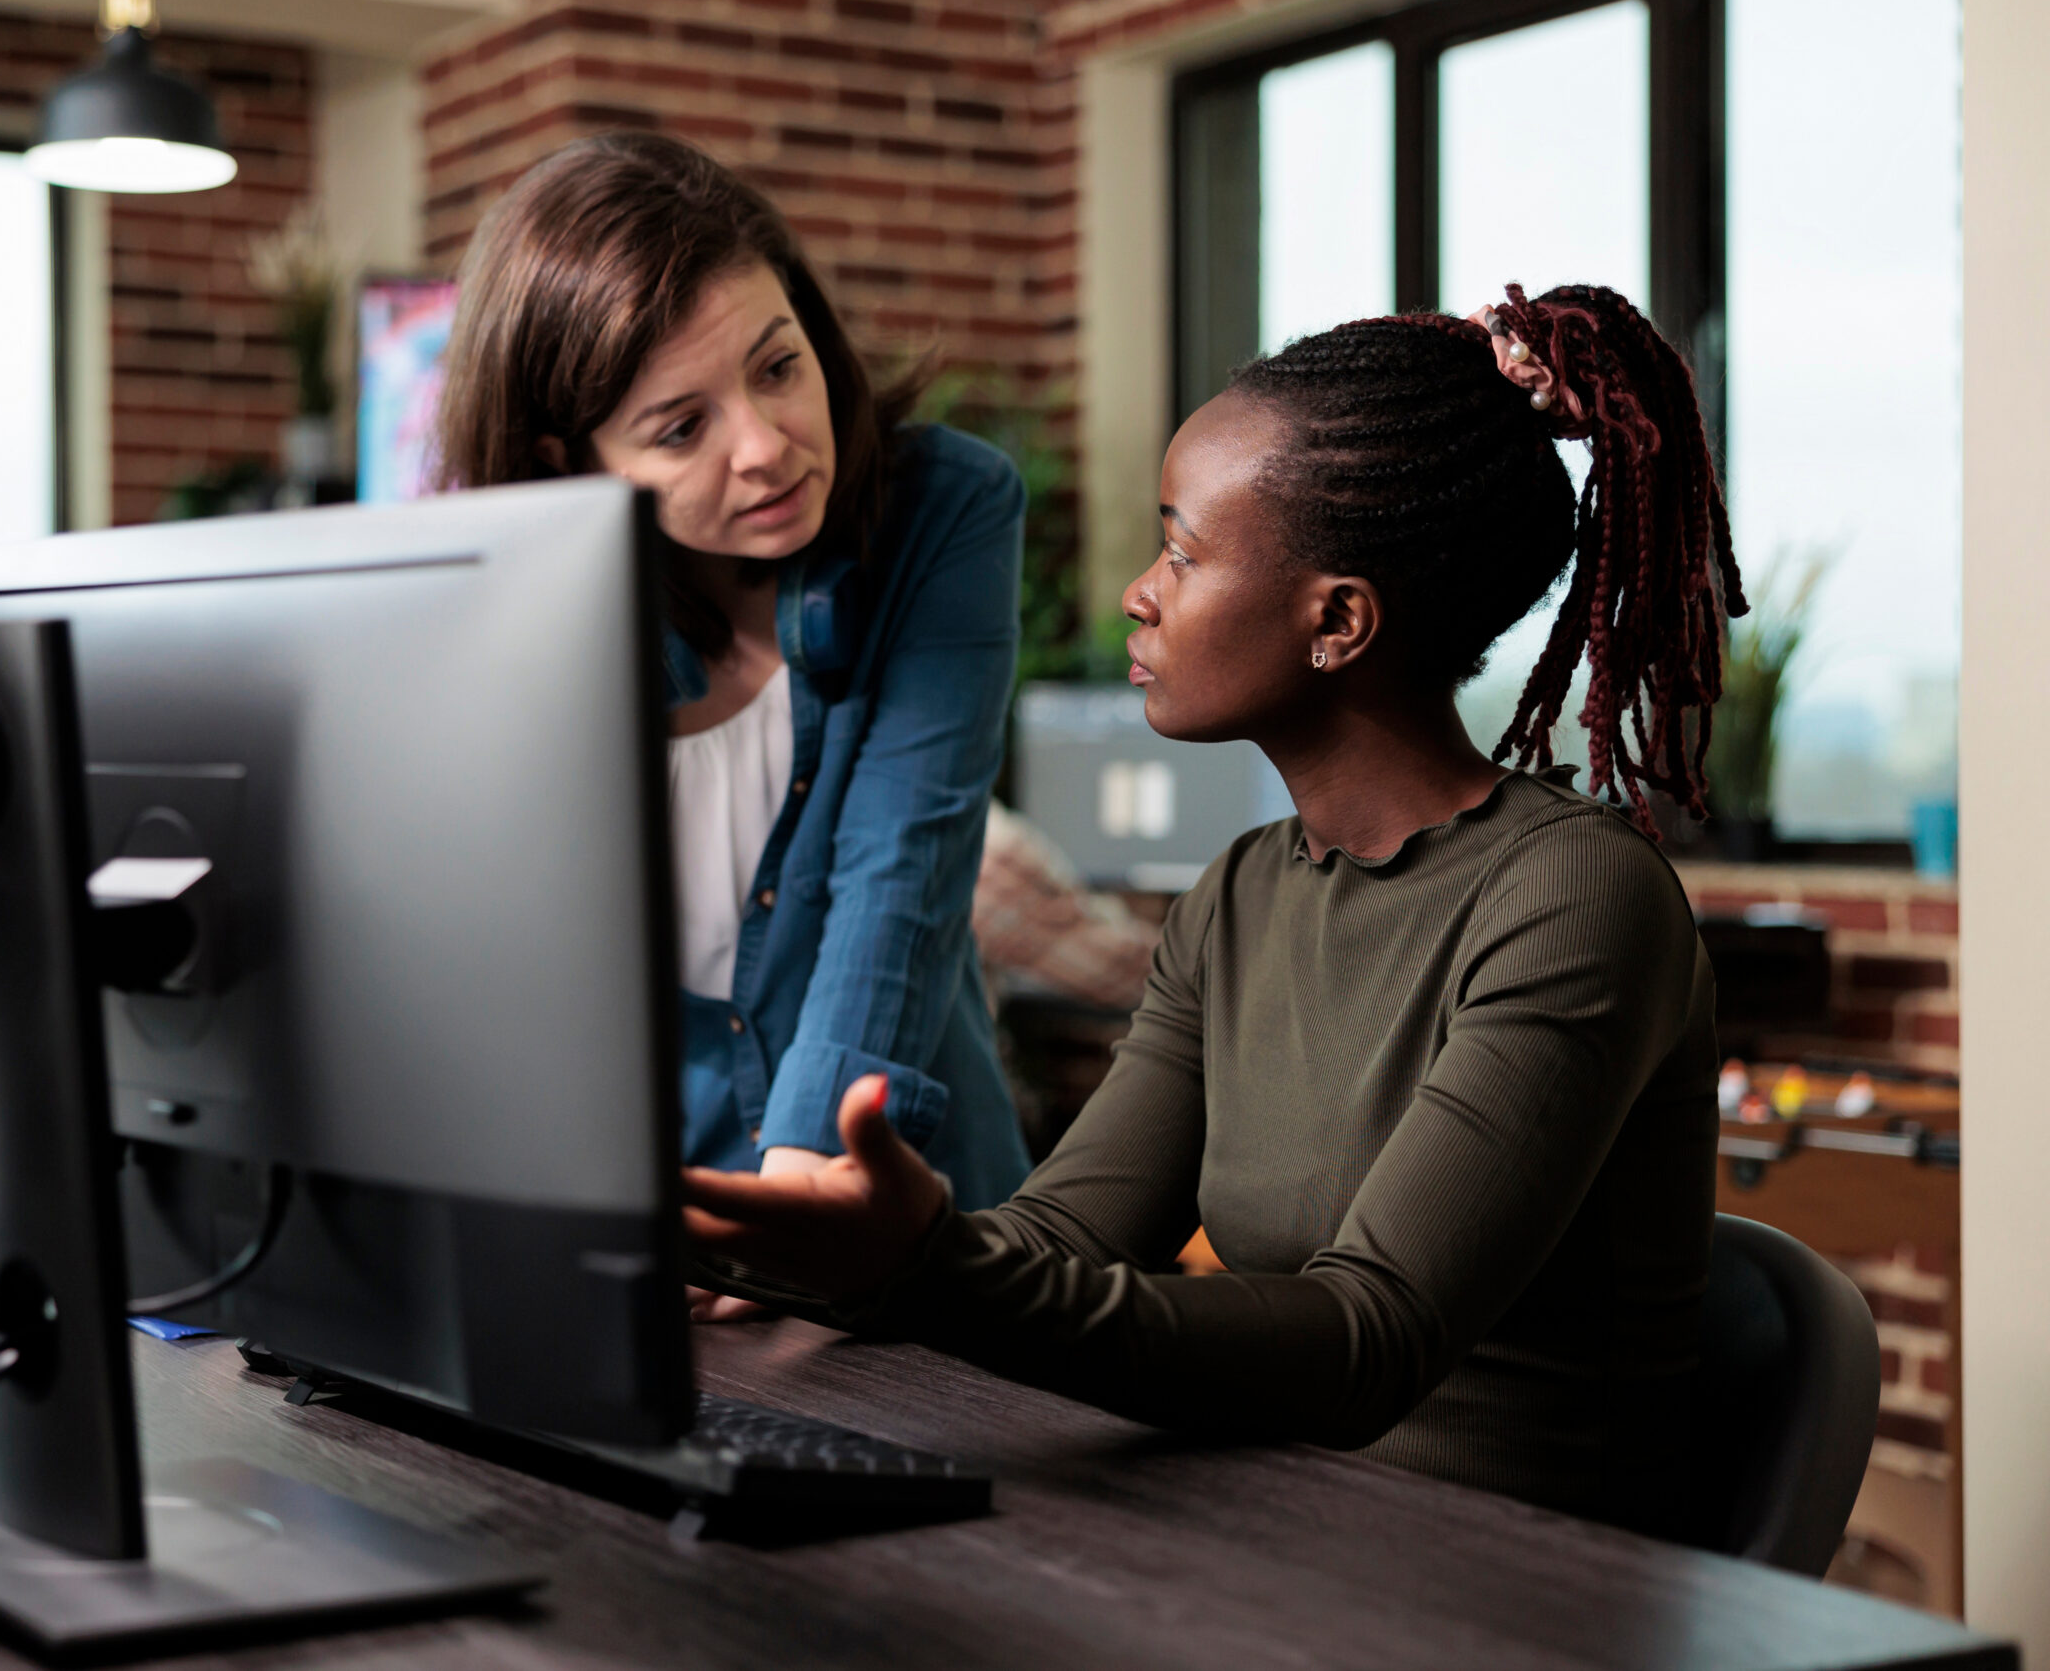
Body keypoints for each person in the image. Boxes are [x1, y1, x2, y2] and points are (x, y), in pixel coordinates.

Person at [682, 285, 1740, 1539]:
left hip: (1509, 1586)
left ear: (1337, 620)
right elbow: (1064, 1236)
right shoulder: (1239, 896)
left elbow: (1366, 1338)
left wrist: (926, 1273)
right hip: (1278, 1530)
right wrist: (764, 1250)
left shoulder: (1573, 896)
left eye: (1182, 553)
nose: (1139, 592)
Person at [433, 133, 1034, 1219]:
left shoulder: (942, 509)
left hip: (897, 1201)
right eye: (679, 429)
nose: (764, 447)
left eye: (776, 367)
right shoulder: (504, 613)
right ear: (568, 463)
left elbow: (900, 868)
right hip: (647, 1219)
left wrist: (803, 1184)